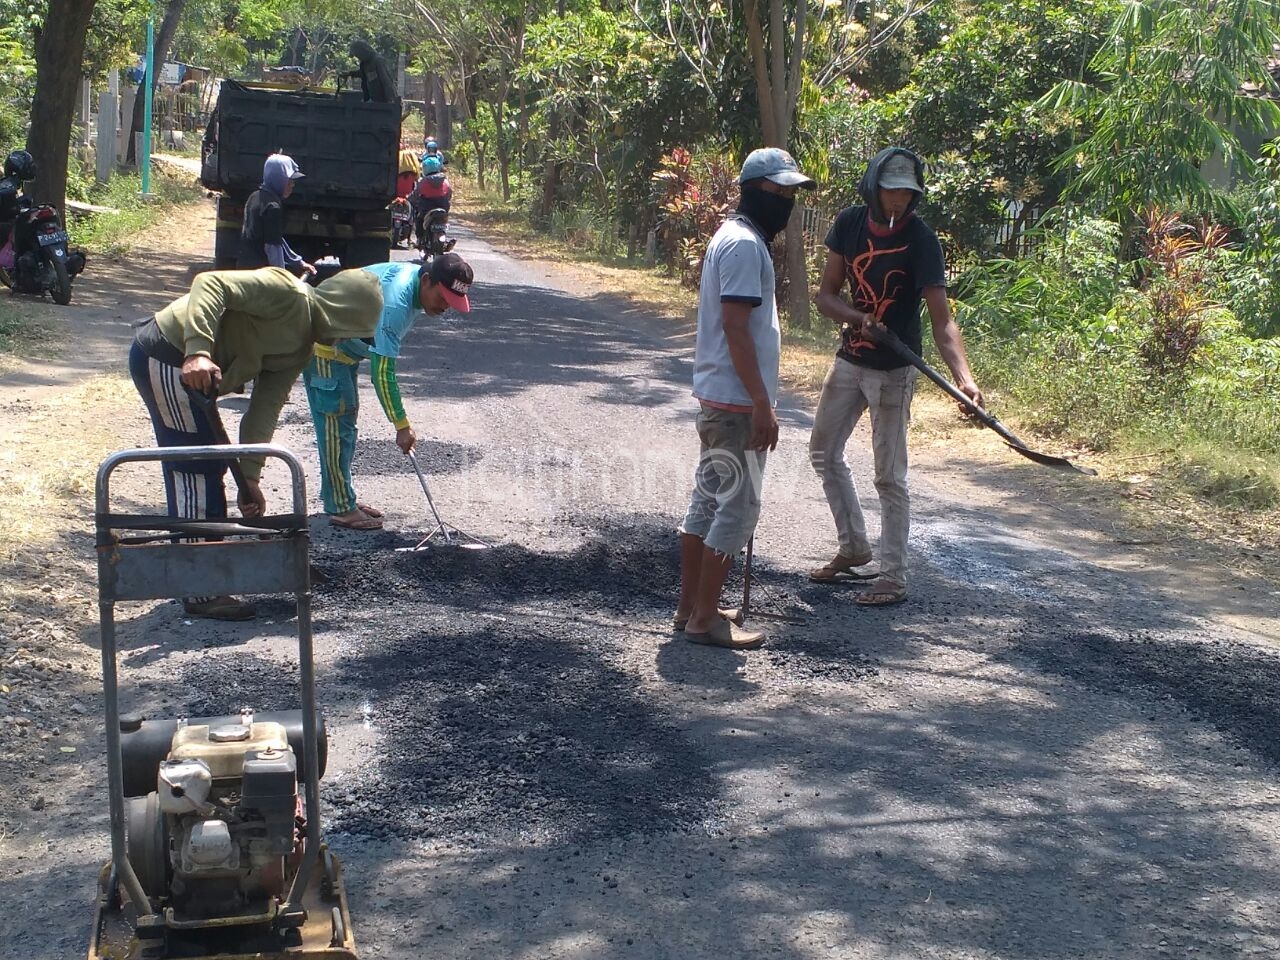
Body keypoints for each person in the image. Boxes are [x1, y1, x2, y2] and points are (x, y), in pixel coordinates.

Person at [128, 267, 383, 620]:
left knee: (213, 463)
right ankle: (198, 587)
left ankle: (208, 575)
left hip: (198, 379)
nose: (344, 342)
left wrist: (249, 478)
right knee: (195, 470)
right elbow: (210, 283)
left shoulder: (300, 350)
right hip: (169, 354)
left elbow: (265, 409)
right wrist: (198, 350)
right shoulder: (287, 293)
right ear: (343, 313)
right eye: (351, 332)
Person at [808, 147, 983, 606]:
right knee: (823, 453)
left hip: (894, 372)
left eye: (907, 192)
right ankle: (854, 548)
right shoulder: (848, 224)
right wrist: (856, 318)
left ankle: (894, 576)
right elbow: (825, 296)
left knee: (889, 475)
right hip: (851, 360)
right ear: (873, 188)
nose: (899, 200)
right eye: (891, 191)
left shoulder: (922, 240)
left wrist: (964, 380)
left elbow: (943, 321)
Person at [675, 147, 815, 650]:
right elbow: (736, 327)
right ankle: (703, 619)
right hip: (735, 405)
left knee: (709, 500)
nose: (785, 202)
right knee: (736, 508)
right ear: (752, 189)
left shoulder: (736, 238)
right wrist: (762, 403)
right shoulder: (743, 246)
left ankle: (692, 606)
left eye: (790, 194)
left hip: (723, 398)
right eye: (777, 192)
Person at [302, 253, 474, 530]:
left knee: (345, 425)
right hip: (324, 348)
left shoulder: (415, 284)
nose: (446, 307)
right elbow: (382, 375)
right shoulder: (396, 304)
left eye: (452, 302)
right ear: (427, 280)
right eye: (443, 298)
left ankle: (342, 497)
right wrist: (402, 425)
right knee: (335, 423)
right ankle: (340, 507)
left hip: (343, 348)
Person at [237, 153, 316, 276]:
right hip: (261, 273)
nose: (292, 185)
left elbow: (275, 238)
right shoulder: (273, 207)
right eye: (289, 180)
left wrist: (299, 262)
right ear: (279, 179)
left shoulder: (254, 197)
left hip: (245, 267)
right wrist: (281, 277)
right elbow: (272, 248)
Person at [344, 40, 397, 104]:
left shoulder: (378, 61)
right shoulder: (364, 63)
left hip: (382, 101)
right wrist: (350, 73)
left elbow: (386, 82)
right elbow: (363, 74)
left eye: (358, 55)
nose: (358, 58)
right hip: (372, 99)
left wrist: (390, 100)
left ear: (363, 51)